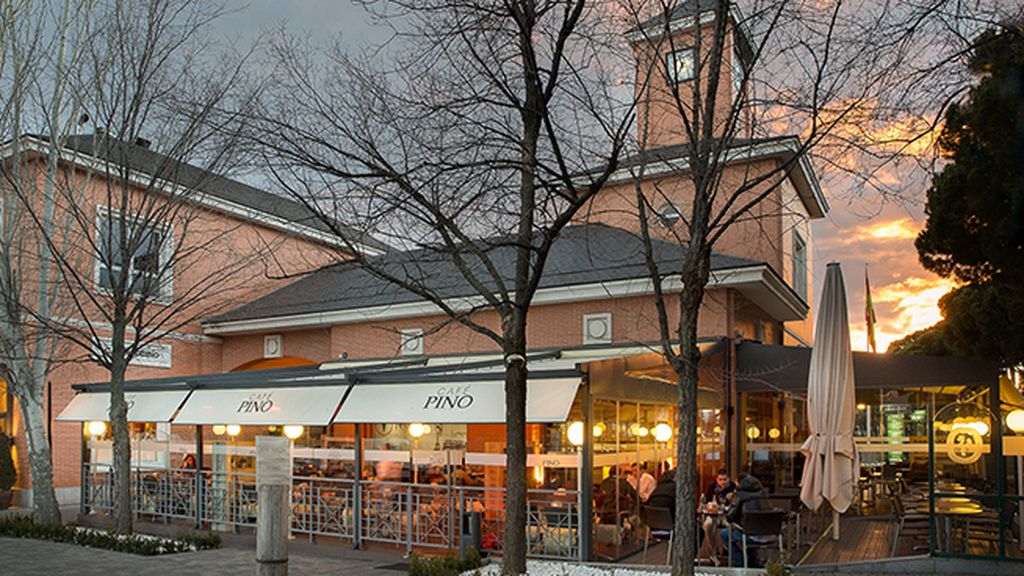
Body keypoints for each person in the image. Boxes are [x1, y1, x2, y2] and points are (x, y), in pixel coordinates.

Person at [720, 474, 771, 567]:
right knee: (747, 531)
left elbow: (731, 517)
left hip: (750, 535)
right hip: (769, 535)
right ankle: (753, 561)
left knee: (725, 534)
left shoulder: (740, 496)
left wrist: (732, 501)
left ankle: (741, 562)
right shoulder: (763, 495)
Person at [700, 469, 736, 564]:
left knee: (730, 527)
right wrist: (704, 500)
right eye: (720, 479)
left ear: (729, 479)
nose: (722, 482)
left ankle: (726, 548)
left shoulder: (733, 488)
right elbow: (706, 501)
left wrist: (733, 498)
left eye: (725, 479)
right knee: (708, 525)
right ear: (716, 479)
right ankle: (713, 553)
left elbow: (735, 506)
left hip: (726, 516)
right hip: (712, 515)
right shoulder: (712, 487)